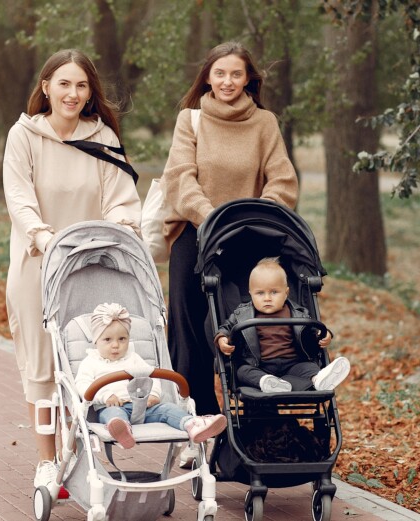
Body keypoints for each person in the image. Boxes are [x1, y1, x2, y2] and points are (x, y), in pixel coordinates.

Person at [3, 49, 141, 490]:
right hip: (37, 265)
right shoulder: (24, 136)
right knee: (43, 367)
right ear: (46, 87)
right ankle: (48, 460)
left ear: (90, 92)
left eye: (81, 85)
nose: (72, 93)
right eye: (63, 83)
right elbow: (19, 196)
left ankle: (74, 450)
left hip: (89, 267)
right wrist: (43, 237)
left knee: (88, 357)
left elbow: (120, 197)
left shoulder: (102, 137)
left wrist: (121, 224)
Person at [162, 41, 299, 420]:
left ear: (248, 78)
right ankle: (197, 419)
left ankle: (253, 418)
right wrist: (212, 219)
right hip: (195, 235)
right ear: (207, 76)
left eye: (236, 73)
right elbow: (180, 178)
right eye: (220, 73)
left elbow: (282, 181)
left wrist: (252, 218)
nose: (227, 81)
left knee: (245, 329)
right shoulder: (190, 119)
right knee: (190, 334)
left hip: (247, 240)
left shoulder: (264, 123)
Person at [75, 303, 227, 449]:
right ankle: (122, 431)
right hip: (113, 406)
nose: (115, 345)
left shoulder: (133, 358)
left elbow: (151, 375)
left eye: (122, 339)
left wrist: (153, 394)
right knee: (114, 415)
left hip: (144, 407)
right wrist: (105, 396)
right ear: (96, 341)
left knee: (168, 409)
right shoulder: (91, 362)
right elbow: (82, 384)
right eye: (107, 340)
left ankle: (193, 425)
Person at [215, 257, 351, 393]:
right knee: (242, 371)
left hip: (293, 364)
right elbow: (226, 328)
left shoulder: (298, 313)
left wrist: (325, 334)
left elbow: (313, 330)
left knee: (310, 368)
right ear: (251, 294)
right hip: (259, 365)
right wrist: (222, 338)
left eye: (274, 292)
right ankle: (266, 381)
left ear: (286, 293)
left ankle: (319, 380)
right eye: (260, 293)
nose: (267, 298)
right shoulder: (242, 314)